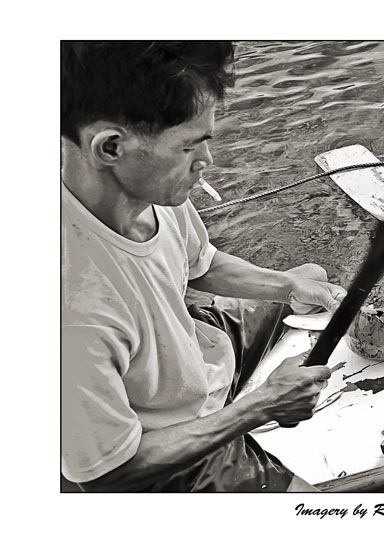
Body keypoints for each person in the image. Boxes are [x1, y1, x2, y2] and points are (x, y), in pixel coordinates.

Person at [60, 41, 346, 492]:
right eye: (191, 146)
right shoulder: (73, 314)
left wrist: (286, 286)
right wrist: (260, 408)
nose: (207, 162)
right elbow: (108, 474)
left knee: (312, 280)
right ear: (111, 146)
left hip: (193, 358)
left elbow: (200, 263)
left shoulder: (151, 191)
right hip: (160, 454)